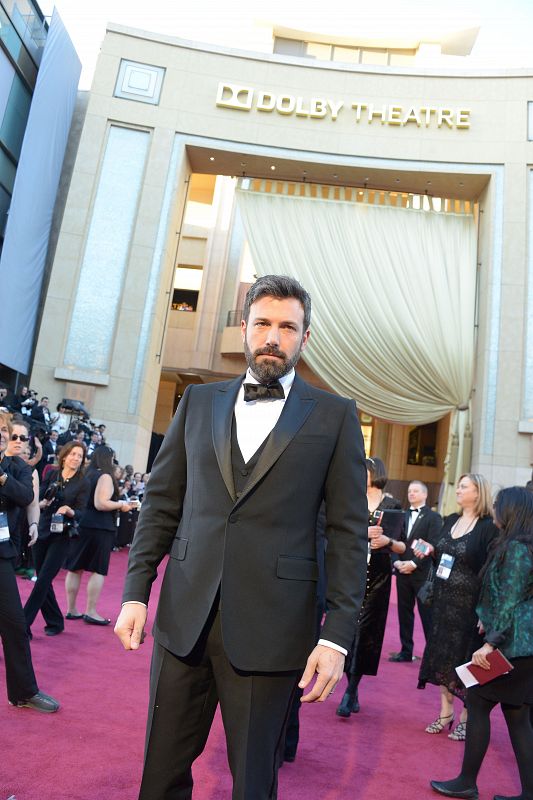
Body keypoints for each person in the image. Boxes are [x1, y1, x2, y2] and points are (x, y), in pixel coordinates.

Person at [114, 274, 368, 800]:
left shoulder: (336, 415)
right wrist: (136, 590)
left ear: (305, 336)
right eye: (262, 324)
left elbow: (348, 534)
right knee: (158, 776)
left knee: (254, 784)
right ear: (245, 329)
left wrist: (336, 636)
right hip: (183, 619)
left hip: (273, 631)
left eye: (287, 327)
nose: (273, 337)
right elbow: (162, 502)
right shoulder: (199, 402)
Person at [430, 486, 533, 800]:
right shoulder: (519, 544)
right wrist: (486, 618)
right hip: (522, 647)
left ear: (512, 510)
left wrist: (490, 642)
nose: (496, 510)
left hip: (511, 647)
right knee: (516, 718)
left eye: (500, 505)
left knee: (476, 701)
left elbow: (512, 599)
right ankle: (527, 792)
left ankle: (467, 782)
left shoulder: (516, 548)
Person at [416, 473, 497, 740]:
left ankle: (466, 717)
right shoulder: (450, 519)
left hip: (469, 607)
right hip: (441, 603)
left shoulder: (487, 527)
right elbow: (442, 554)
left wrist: (486, 611)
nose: (458, 490)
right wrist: (430, 549)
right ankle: (445, 712)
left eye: (464, 487)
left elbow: (490, 571)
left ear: (478, 492)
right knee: (442, 657)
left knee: (464, 660)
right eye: (459, 486)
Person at [336, 456, 406, 717]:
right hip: (349, 573)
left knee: (368, 632)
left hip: (378, 578)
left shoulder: (393, 505)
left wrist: (386, 540)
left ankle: (351, 690)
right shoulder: (351, 499)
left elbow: (402, 546)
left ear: (375, 473)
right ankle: (347, 684)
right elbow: (337, 533)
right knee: (346, 629)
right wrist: (361, 534)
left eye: (364, 471)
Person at [0, 412, 59, 712]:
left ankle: (23, 691)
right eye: (10, 435)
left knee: (14, 623)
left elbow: (26, 497)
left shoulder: (19, 469)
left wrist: (1, 477)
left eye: (5, 431)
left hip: (2, 555)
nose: (9, 438)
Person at [23, 441, 89, 636]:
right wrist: (43, 502)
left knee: (43, 580)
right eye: (73, 454)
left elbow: (81, 513)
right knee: (44, 581)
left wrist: (69, 510)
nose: (76, 458)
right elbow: (39, 499)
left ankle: (22, 624)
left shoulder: (83, 482)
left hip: (62, 535)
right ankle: (55, 621)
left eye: (80, 456)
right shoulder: (51, 473)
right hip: (42, 530)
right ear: (64, 455)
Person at [66, 446, 133, 624]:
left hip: (83, 524)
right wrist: (120, 505)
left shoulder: (87, 474)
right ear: (107, 459)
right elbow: (101, 503)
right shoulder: (104, 476)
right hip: (100, 527)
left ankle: (71, 609)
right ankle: (91, 611)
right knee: (98, 570)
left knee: (75, 568)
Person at [389, 480, 442, 662]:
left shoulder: (434, 518)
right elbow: (393, 541)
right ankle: (406, 651)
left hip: (422, 574)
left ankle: (431, 655)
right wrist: (396, 563)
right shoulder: (402, 516)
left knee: (427, 616)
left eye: (416, 491)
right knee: (404, 613)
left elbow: (434, 544)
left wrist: (414, 563)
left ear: (425, 494)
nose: (411, 494)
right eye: (410, 491)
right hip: (402, 572)